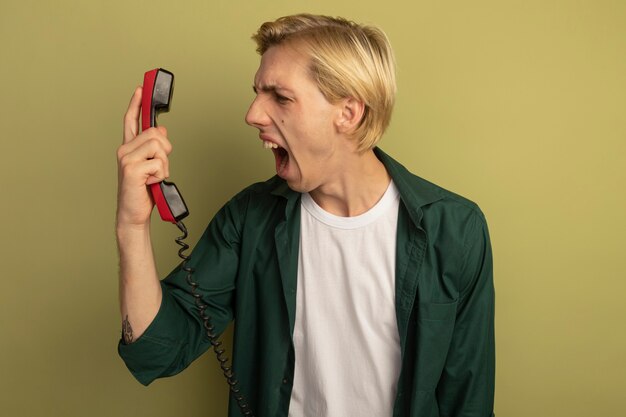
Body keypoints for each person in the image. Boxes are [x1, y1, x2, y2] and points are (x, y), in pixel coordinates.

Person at [116, 13, 495, 417]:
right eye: (257, 93)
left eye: (280, 97)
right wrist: (131, 226)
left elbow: (467, 402)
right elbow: (155, 350)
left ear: (348, 113)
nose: (253, 115)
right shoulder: (249, 220)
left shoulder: (455, 230)